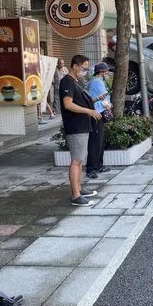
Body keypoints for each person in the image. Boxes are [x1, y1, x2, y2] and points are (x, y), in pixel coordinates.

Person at [59, 55, 102, 206]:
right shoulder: (67, 81)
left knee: (80, 160)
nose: (85, 71)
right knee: (76, 161)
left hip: (83, 126)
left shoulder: (77, 81)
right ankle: (76, 195)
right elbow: (68, 104)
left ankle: (79, 188)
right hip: (75, 127)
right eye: (83, 68)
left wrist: (94, 103)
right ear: (75, 66)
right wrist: (89, 112)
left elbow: (80, 100)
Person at [86, 62, 112, 179]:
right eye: (106, 71)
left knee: (99, 141)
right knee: (96, 142)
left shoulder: (96, 81)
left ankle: (99, 165)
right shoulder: (97, 82)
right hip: (96, 114)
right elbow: (104, 98)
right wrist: (109, 105)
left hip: (97, 114)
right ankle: (91, 168)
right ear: (101, 72)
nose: (107, 73)